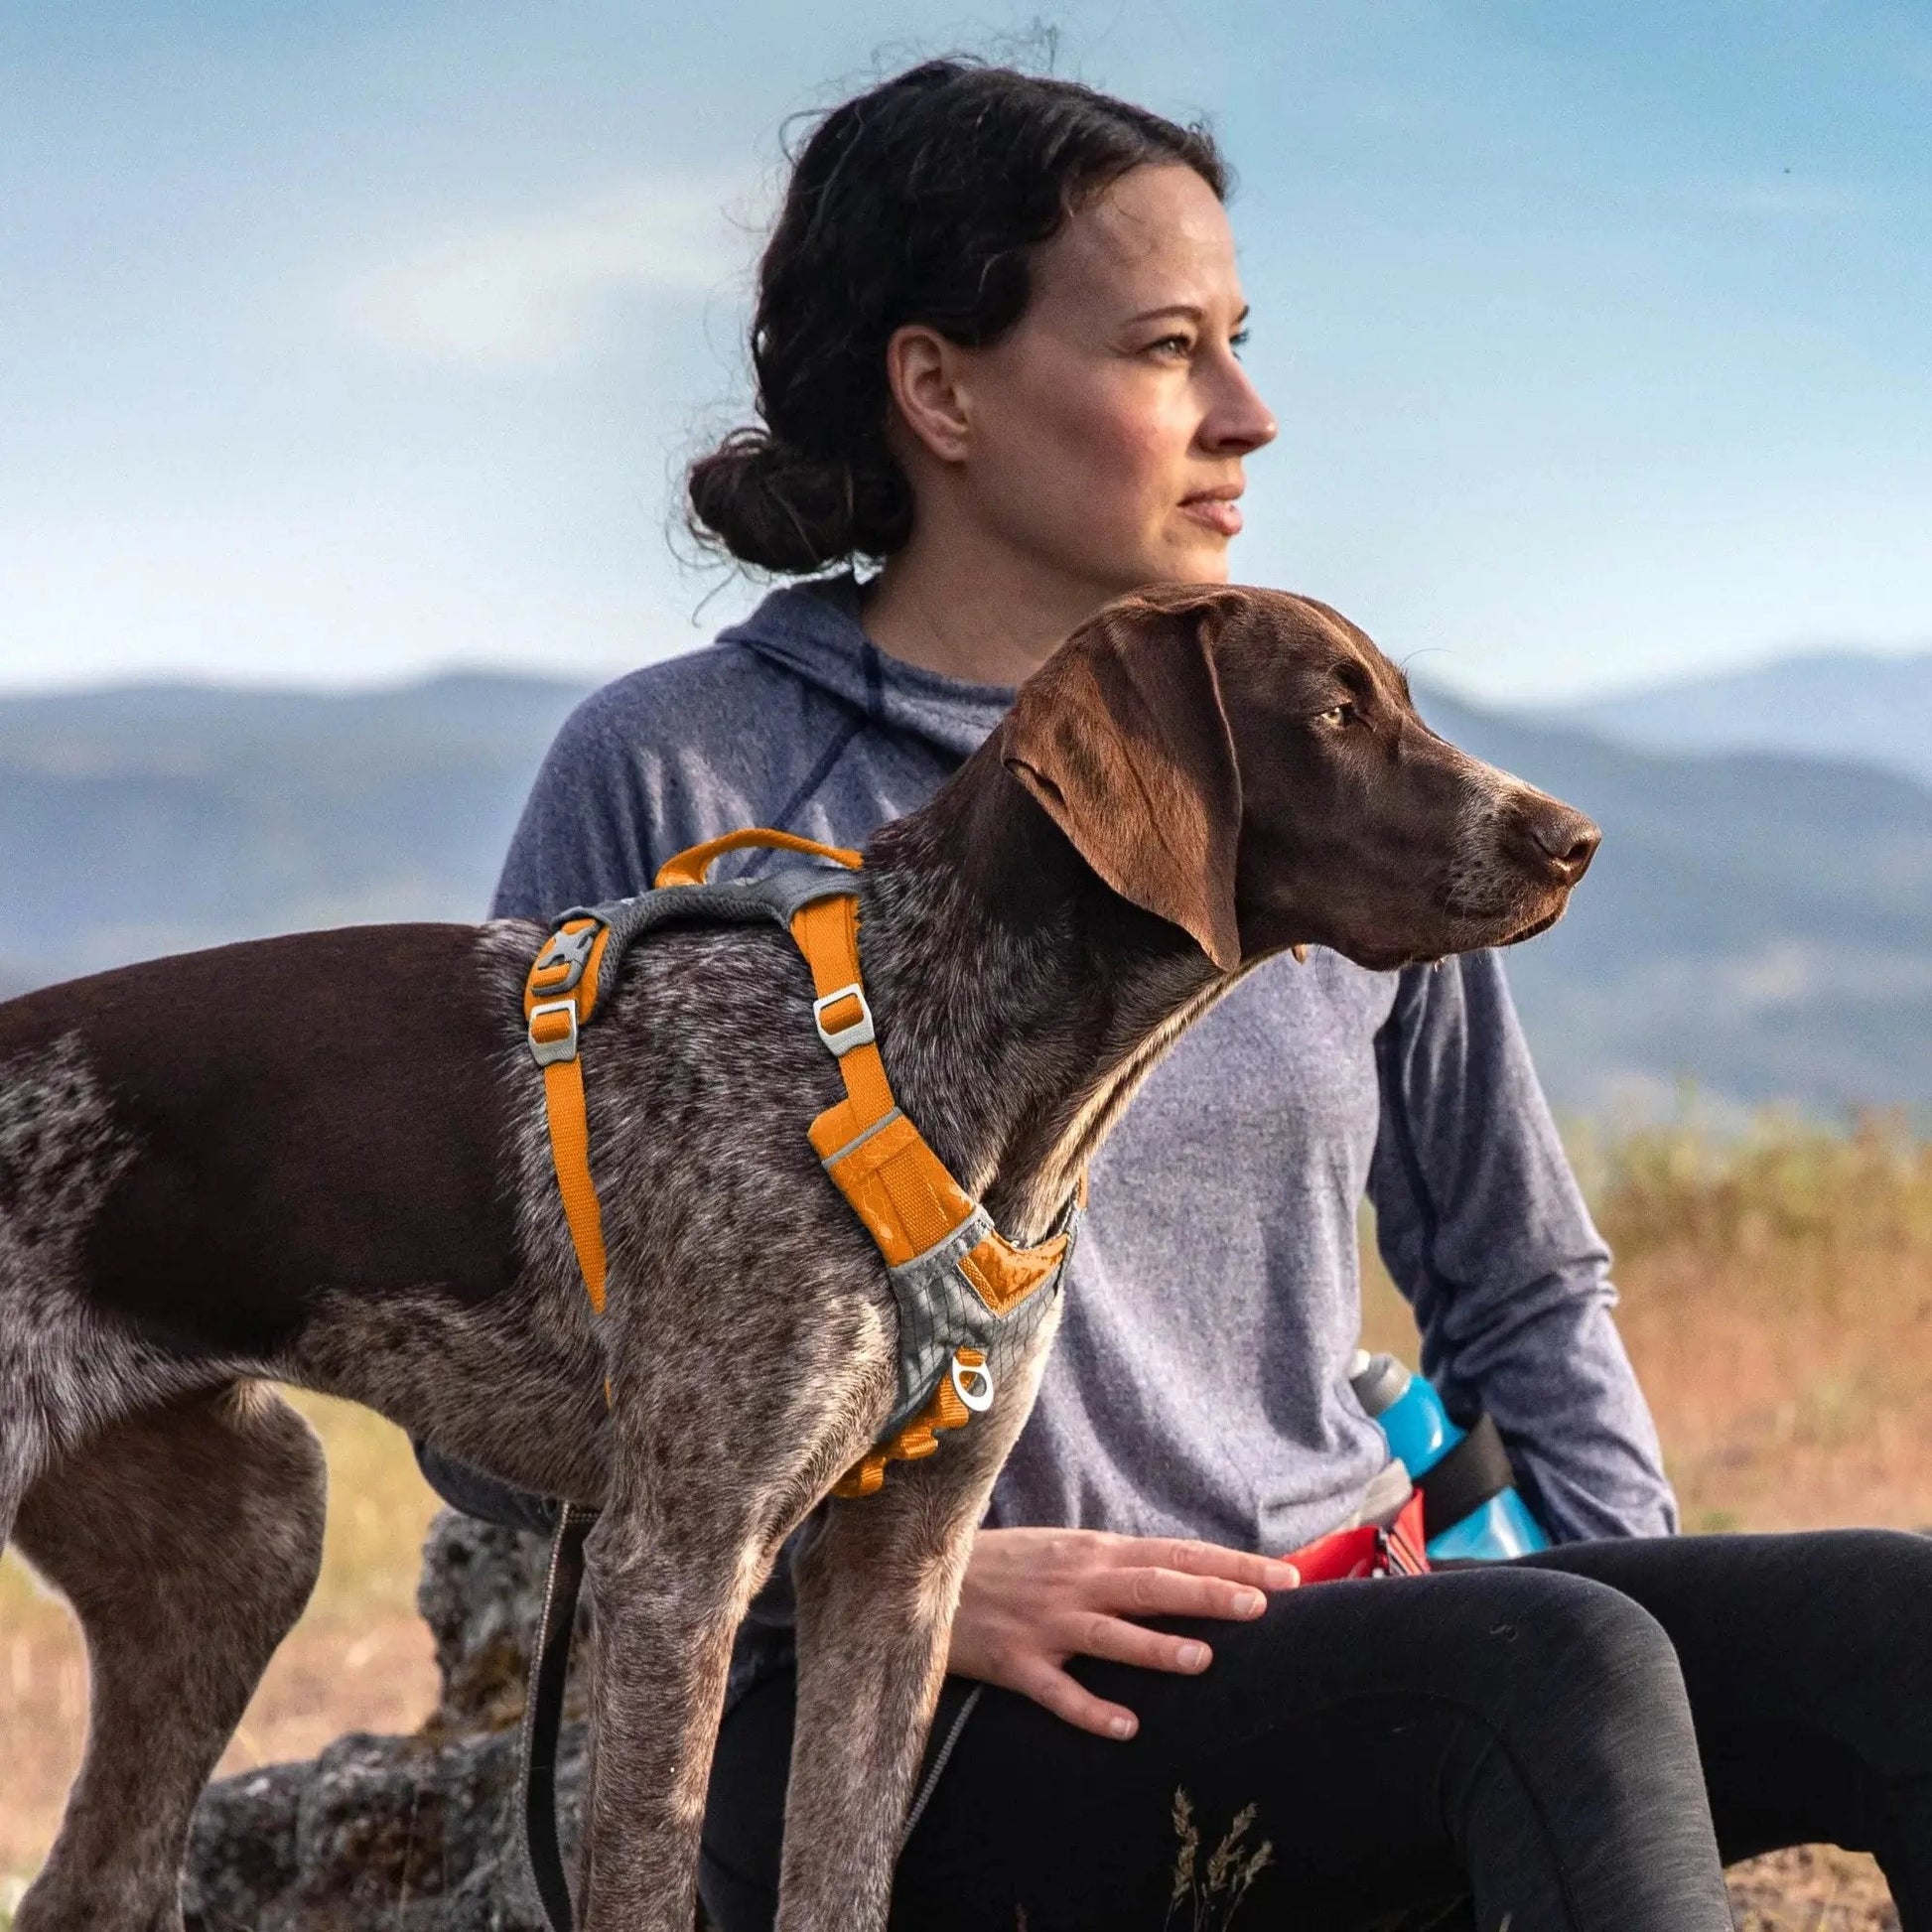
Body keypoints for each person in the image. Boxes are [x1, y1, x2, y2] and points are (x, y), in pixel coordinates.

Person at [419, 59, 1932, 1931]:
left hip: (1370, 1643)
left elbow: (1519, 1278)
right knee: (1550, 1669)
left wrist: (1649, 1640)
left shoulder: (1306, 754)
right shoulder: (677, 780)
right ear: (939, 387)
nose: (1249, 414)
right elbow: (487, 1403)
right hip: (948, 1734)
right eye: (1163, 350)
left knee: (1887, 1623)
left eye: (1238, 341)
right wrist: (893, 1572)